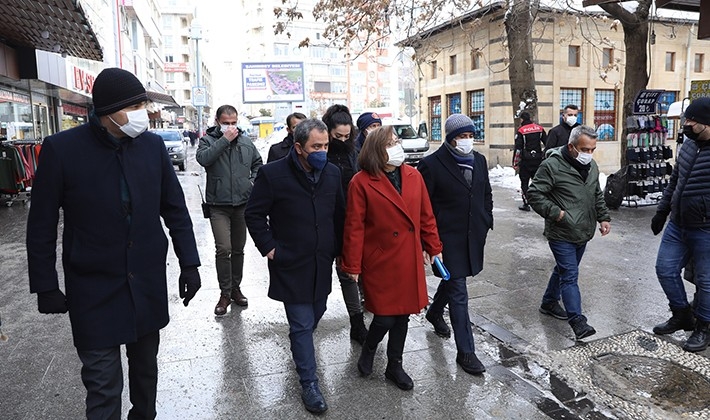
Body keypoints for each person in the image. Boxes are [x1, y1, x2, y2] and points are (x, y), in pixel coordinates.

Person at [26, 67, 201, 419]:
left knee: (145, 377)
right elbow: (41, 224)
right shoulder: (61, 150)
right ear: (108, 111)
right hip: (93, 287)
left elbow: (175, 209)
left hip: (146, 282)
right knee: (104, 385)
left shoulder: (151, 147)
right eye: (135, 105)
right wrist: (45, 285)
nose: (143, 112)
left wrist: (190, 263)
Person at [245, 119, 345, 414]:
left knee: (317, 312)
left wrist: (339, 251)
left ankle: (301, 351)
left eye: (326, 146)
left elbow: (339, 214)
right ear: (299, 147)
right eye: (316, 146)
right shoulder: (272, 174)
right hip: (290, 262)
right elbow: (254, 215)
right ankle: (309, 383)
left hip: (321, 261)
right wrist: (270, 248)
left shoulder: (332, 173)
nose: (323, 152)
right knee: (301, 325)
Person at [341, 126, 443, 391]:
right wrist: (351, 265)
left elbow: (426, 217)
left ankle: (394, 366)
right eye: (390, 143)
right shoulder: (361, 182)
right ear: (376, 150)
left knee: (403, 316)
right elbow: (354, 227)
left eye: (397, 141)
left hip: (408, 258)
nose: (397, 146)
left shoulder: (413, 175)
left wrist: (434, 247)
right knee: (385, 316)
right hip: (380, 260)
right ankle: (370, 348)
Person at [418, 114, 493, 375]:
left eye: (471, 136)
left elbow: (485, 193)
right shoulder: (431, 164)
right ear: (450, 138)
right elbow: (422, 206)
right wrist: (428, 243)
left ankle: (434, 312)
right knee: (459, 292)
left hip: (473, 234)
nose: (467, 141)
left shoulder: (480, 161)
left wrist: (486, 218)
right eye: (462, 137)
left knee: (454, 281)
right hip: (445, 239)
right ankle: (466, 352)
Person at [527, 125, 611, 340]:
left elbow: (596, 194)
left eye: (592, 149)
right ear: (571, 147)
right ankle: (577, 321)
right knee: (570, 275)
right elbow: (534, 194)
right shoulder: (552, 166)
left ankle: (548, 302)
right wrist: (557, 214)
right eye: (585, 149)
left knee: (564, 270)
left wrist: (603, 217)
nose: (589, 154)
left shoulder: (591, 166)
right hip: (561, 232)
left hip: (583, 230)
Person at [651, 97, 710, 352]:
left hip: (705, 228)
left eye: (692, 121)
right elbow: (675, 180)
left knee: (707, 281)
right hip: (677, 224)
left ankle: (703, 327)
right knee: (664, 269)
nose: (686, 124)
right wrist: (662, 211)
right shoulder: (687, 145)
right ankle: (682, 314)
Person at [196, 105, 263, 315]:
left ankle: (236, 288)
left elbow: (258, 163)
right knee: (223, 248)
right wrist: (224, 140)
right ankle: (224, 293)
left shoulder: (245, 141)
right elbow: (203, 159)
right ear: (217, 121)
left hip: (242, 204)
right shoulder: (208, 140)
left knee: (238, 249)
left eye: (234, 122)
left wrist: (251, 183)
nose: (231, 126)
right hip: (218, 205)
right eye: (226, 123)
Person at [321, 104, 368, 345]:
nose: (341, 140)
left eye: (346, 136)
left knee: (348, 273)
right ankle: (310, 315)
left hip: (348, 221)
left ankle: (357, 322)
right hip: (322, 223)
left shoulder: (353, 152)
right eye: (336, 136)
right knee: (317, 276)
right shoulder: (318, 151)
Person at [513, 112, 546, 211]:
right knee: (537, 182)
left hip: (526, 161)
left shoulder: (521, 131)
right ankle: (539, 201)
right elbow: (547, 143)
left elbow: (518, 149)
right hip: (538, 159)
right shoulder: (539, 129)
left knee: (524, 182)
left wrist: (515, 162)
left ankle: (526, 203)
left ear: (522, 119)